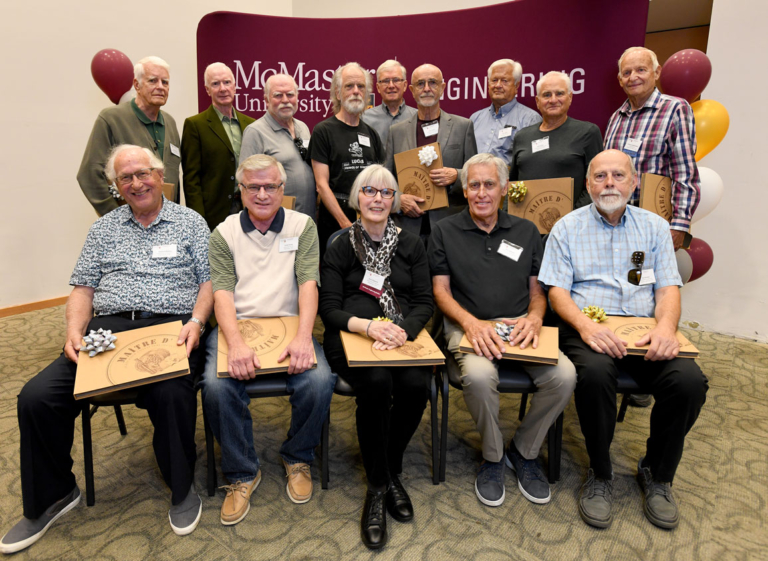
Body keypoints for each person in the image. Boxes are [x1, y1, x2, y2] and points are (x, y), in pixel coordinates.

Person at [1, 145, 213, 554]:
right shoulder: (103, 229)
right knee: (37, 397)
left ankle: (182, 487)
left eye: (143, 174)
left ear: (159, 174)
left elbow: (209, 282)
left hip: (170, 327)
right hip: (109, 331)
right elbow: (83, 288)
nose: (137, 183)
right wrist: (72, 332)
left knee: (171, 393)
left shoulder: (190, 222)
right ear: (116, 187)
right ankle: (54, 495)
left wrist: (197, 322)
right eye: (126, 178)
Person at [538, 149, 708, 530]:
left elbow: (667, 289)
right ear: (587, 184)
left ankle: (657, 473)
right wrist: (586, 327)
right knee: (595, 376)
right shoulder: (566, 227)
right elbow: (557, 294)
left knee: (690, 383)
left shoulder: (654, 228)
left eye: (618, 175)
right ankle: (600, 473)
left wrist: (665, 329)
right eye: (600, 176)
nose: (609, 183)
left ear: (634, 182)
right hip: (589, 328)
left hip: (643, 329)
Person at [429, 153, 576, 507]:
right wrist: (470, 322)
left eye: (489, 184)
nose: (482, 193)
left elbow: (537, 293)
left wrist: (535, 317)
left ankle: (523, 451)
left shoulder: (526, 231)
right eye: (474, 185)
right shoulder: (444, 230)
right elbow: (440, 292)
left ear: (504, 189)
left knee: (565, 376)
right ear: (464, 190)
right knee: (478, 378)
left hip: (519, 328)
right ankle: (493, 458)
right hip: (468, 326)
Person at [199, 154, 335, 526]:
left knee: (320, 380)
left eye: (270, 186)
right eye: (253, 187)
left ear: (282, 189)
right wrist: (236, 343)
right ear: (241, 190)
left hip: (290, 323)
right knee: (215, 386)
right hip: (237, 324)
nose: (262, 194)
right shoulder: (223, 232)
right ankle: (242, 473)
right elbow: (222, 292)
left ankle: (298, 455)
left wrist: (305, 337)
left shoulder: (302, 225)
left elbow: (308, 282)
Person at [319, 164, 433, 549]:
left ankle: (387, 466)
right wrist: (368, 328)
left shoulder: (412, 244)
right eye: (370, 191)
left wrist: (403, 330)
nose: (378, 199)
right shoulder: (338, 245)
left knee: (418, 385)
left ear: (395, 200)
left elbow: (423, 301)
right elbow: (329, 309)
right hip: (352, 334)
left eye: (386, 193)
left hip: (399, 334)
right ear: (356, 198)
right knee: (378, 384)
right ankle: (379, 486)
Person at [604, 47, 700, 251]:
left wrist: (680, 224)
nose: (633, 77)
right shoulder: (615, 118)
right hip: (614, 221)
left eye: (641, 70)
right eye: (627, 73)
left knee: (651, 281)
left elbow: (684, 171)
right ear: (620, 80)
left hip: (654, 222)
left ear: (656, 73)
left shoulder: (675, 109)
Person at [78, 56, 181, 216]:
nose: (160, 87)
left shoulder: (170, 122)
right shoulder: (111, 119)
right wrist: (115, 217)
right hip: (128, 224)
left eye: (165, 82)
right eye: (153, 81)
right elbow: (89, 174)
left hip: (166, 224)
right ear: (137, 85)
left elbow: (173, 177)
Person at [385, 64, 477, 238]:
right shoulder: (396, 131)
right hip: (407, 226)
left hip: (451, 225)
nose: (426, 88)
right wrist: (398, 199)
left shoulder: (463, 126)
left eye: (432, 82)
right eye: (420, 84)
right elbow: (386, 178)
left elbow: (475, 175)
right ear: (411, 90)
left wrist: (456, 175)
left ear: (442, 87)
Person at [309, 62, 385, 253]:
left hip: (368, 219)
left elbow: (379, 181)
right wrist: (345, 223)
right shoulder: (323, 131)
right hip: (335, 220)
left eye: (361, 86)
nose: (356, 91)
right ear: (338, 93)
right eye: (349, 86)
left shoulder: (371, 133)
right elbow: (321, 185)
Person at [510, 71, 603, 208]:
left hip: (571, 224)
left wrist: (572, 216)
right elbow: (513, 185)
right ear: (537, 101)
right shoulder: (522, 137)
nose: (553, 100)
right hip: (527, 224)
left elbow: (598, 183)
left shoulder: (587, 133)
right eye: (547, 95)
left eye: (559, 94)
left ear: (570, 97)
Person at [181, 62, 255, 231]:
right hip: (214, 212)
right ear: (207, 90)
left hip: (248, 207)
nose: (223, 88)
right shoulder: (195, 125)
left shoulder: (251, 124)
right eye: (215, 84)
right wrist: (198, 220)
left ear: (235, 86)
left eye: (227, 82)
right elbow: (191, 179)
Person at [240, 74, 315, 218]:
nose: (285, 100)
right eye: (278, 95)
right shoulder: (255, 132)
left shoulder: (303, 127)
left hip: (307, 218)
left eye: (290, 95)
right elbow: (246, 184)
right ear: (266, 100)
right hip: (275, 221)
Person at [470, 59, 541, 166]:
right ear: (488, 84)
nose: (498, 85)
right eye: (494, 80)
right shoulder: (475, 118)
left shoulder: (530, 119)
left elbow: (533, 162)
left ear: (517, 85)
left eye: (504, 81)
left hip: (509, 181)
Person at [362, 60, 417, 146]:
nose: (391, 85)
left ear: (405, 85)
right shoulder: (364, 119)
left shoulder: (417, 117)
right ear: (378, 87)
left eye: (396, 80)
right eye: (385, 81)